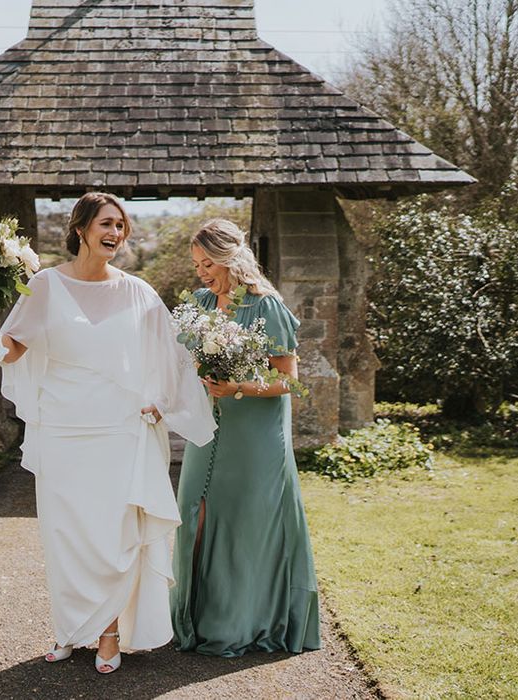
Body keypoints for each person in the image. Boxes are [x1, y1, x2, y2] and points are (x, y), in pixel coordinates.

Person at [0, 192, 215, 674]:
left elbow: (171, 358)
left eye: (122, 226)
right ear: (81, 227)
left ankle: (107, 633)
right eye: (107, 223)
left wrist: (162, 403)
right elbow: (15, 349)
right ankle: (70, 628)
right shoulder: (41, 285)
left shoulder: (139, 292)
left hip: (121, 431)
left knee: (113, 534)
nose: (116, 233)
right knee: (66, 534)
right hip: (64, 428)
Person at [170, 218, 321, 657]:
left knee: (245, 523)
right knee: (192, 511)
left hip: (254, 435)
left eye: (206, 263)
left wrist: (238, 387)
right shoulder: (198, 301)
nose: (200, 272)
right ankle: (194, 620)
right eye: (196, 264)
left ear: (229, 258)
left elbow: (289, 381)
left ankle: (245, 623)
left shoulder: (266, 306)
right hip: (208, 426)